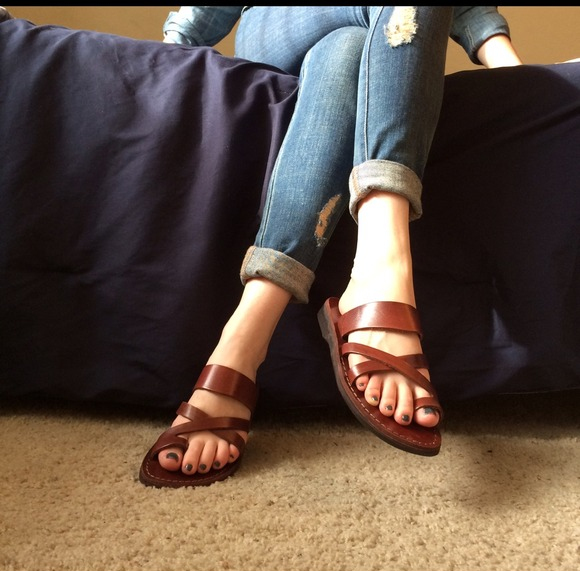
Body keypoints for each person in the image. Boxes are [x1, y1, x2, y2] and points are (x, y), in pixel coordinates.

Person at [140, 7, 523, 488]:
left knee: (345, 52)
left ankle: (243, 341)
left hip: (360, 30)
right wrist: (175, 46)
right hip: (279, 23)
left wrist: (511, 67)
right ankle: (381, 271)